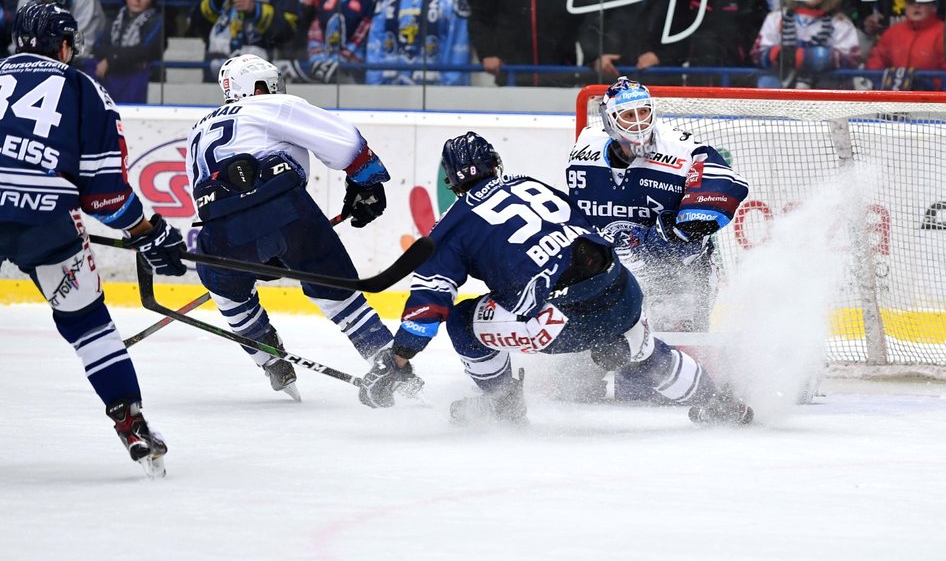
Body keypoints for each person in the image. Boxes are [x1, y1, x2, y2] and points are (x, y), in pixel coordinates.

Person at [356, 131, 754, 426]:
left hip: (564, 321)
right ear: (497, 166)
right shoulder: (531, 185)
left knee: (461, 320)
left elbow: (429, 306)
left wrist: (398, 359)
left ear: (450, 183)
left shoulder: (451, 227)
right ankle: (719, 402)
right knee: (644, 352)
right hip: (624, 290)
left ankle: (501, 404)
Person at [0, 3, 188, 477]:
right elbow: (105, 196)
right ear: (65, 46)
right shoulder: (86, 91)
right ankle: (130, 420)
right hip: (47, 222)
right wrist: (148, 233)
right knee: (88, 322)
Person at [184, 53, 419, 403]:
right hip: (286, 209)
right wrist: (366, 183)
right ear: (258, 86)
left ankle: (267, 356)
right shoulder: (268, 105)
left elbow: (201, 194)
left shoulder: (198, 130)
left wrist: (261, 248)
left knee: (226, 288)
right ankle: (395, 375)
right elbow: (343, 140)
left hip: (221, 228)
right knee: (339, 295)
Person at [567, 76, 748, 343]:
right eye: (629, 114)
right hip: (617, 272)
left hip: (681, 275)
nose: (639, 121)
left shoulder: (681, 149)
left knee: (675, 350)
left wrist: (686, 227)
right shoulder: (585, 149)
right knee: (594, 351)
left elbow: (723, 182)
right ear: (609, 120)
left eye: (644, 112)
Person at [751, 0, 861, 89]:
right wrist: (777, 55)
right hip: (782, 97)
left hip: (824, 97)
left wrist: (808, 57)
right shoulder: (777, 17)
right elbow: (757, 54)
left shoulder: (840, 23)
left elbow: (853, 59)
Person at [863, 0, 946, 91]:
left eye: (922, 1)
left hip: (933, 101)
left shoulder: (944, 32)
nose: (916, 6)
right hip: (895, 100)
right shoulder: (892, 32)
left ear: (934, 7)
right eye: (911, 2)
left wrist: (929, 87)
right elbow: (876, 62)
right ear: (906, 7)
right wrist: (881, 84)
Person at [92, 0, 165, 103]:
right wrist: (117, 58)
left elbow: (145, 50)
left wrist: (110, 61)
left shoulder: (156, 20)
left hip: (139, 78)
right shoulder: (113, 19)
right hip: (112, 72)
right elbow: (98, 46)